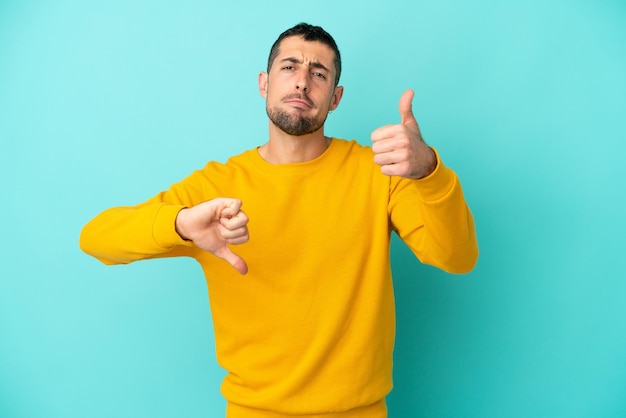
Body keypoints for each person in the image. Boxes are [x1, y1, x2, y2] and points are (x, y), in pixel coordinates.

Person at [80, 22, 478, 418]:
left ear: (336, 98)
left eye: (318, 73)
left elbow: (456, 258)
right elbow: (95, 238)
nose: (302, 82)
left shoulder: (381, 173)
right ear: (263, 83)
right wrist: (181, 224)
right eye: (289, 67)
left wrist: (428, 171)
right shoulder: (216, 187)